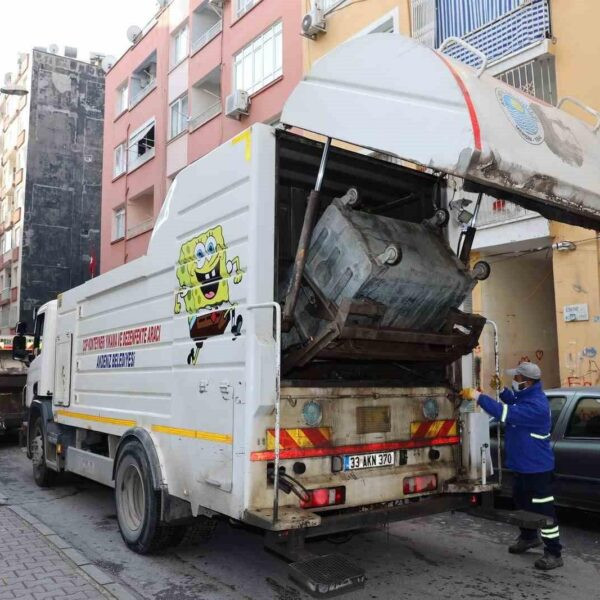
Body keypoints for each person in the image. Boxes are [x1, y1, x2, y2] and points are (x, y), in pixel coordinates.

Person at [461, 362, 563, 570]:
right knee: (522, 503)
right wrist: (501, 390)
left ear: (527, 382)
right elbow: (514, 401)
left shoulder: (537, 406)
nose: (514, 381)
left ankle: (554, 552)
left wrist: (478, 396)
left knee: (544, 511)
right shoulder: (527, 397)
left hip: (537, 469)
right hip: (523, 466)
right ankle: (528, 537)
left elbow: (505, 413)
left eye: (516, 379)